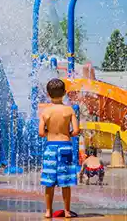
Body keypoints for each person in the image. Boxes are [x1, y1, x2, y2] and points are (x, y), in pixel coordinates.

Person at [39, 78, 80, 219]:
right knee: (66, 181)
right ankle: (67, 211)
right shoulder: (69, 110)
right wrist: (66, 134)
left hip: (50, 148)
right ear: (64, 93)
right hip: (65, 148)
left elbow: (41, 133)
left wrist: (49, 131)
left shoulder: (46, 112)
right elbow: (76, 131)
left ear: (48, 94)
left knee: (49, 182)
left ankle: (48, 211)